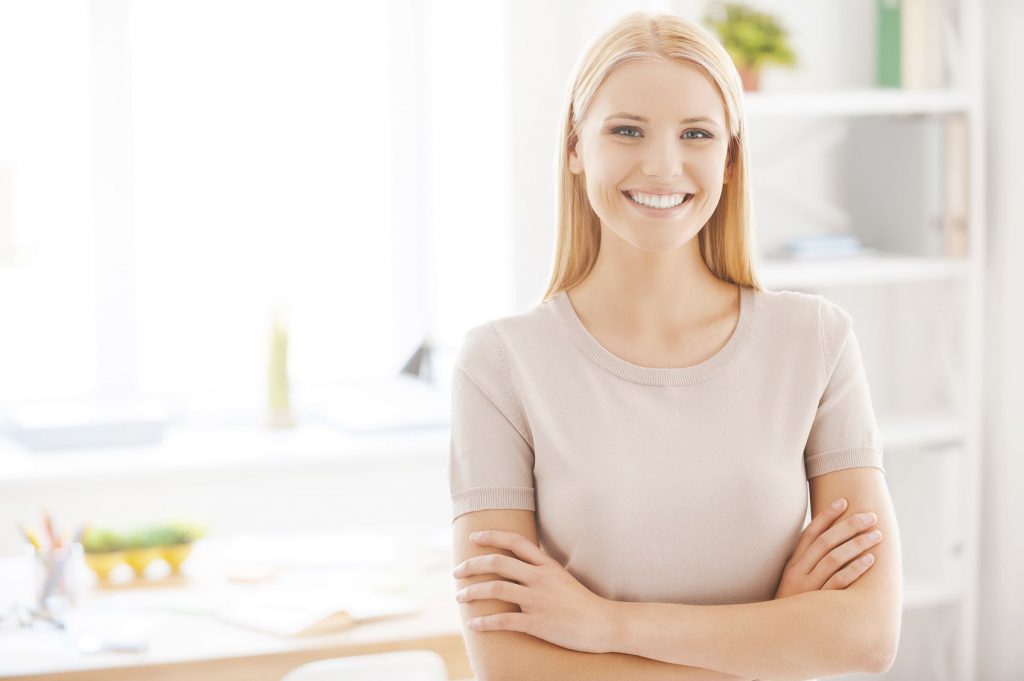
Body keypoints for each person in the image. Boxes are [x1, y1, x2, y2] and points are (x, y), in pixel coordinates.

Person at [448, 11, 902, 681]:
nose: (662, 164)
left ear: (729, 157)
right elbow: (512, 663)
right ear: (576, 148)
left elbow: (865, 635)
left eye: (696, 133)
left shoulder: (817, 342)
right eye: (626, 130)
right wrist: (774, 641)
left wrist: (603, 626)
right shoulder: (499, 365)